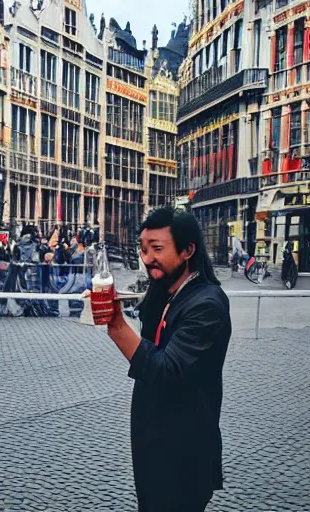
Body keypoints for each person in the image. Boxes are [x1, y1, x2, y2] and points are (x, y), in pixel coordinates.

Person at [93, 207, 231, 512]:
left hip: (184, 453)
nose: (147, 257)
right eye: (143, 249)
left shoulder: (207, 304)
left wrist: (116, 326)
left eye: (157, 249)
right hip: (152, 444)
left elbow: (166, 369)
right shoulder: (166, 292)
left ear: (188, 250)